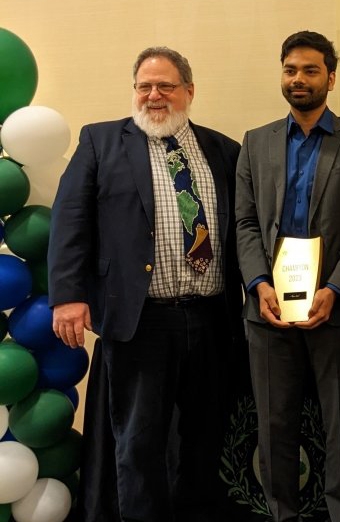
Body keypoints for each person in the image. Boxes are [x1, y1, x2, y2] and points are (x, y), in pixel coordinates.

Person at [48, 47, 243, 521]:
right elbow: (69, 221)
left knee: (204, 438)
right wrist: (68, 297)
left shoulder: (224, 149)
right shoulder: (101, 142)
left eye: (166, 86)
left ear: (189, 92)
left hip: (211, 318)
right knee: (138, 443)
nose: (154, 95)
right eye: (144, 86)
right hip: (141, 322)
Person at [234, 31, 340, 522]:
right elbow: (246, 223)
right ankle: (282, 514)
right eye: (291, 70)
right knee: (274, 428)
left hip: (335, 311)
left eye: (310, 70)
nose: (298, 79)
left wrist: (335, 289)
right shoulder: (255, 141)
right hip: (268, 310)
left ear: (331, 78)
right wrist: (258, 284)